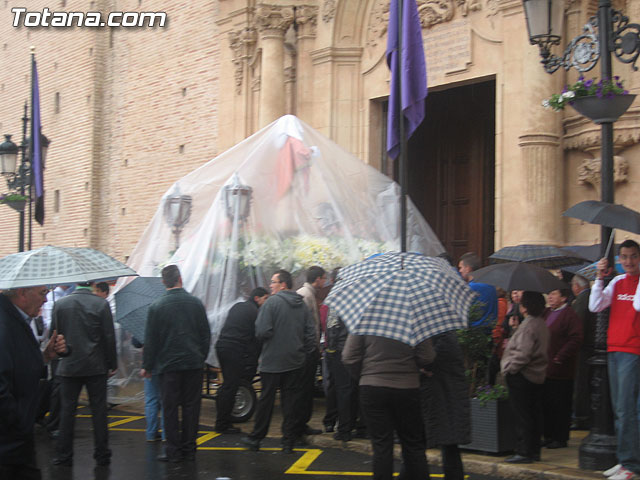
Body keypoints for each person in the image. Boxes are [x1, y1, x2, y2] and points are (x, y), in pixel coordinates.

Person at [240, 269, 316, 453]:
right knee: (290, 402)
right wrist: (302, 351)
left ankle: (257, 438)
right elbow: (310, 334)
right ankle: (288, 442)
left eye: (273, 282)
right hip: (295, 361)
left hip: (272, 361)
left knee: (266, 401)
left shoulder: (271, 303)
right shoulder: (301, 304)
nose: (270, 285)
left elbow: (261, 331)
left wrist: (275, 339)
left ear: (283, 284)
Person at [142, 265, 211, 463]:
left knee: (170, 408)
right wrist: (201, 356)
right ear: (180, 278)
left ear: (164, 282)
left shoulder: (156, 306)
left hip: (167, 366)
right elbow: (205, 334)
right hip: (193, 364)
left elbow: (151, 340)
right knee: (192, 407)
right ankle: (189, 448)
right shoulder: (196, 304)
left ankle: (172, 451)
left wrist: (148, 366)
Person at [342, 334, 435, 480]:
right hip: (407, 387)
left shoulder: (365, 316)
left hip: (372, 387)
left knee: (381, 446)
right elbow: (427, 357)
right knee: (413, 444)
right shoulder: (414, 317)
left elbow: (348, 356)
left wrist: (363, 375)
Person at [0, 286, 68, 480]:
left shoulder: (15, 319)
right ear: (22, 293)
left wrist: (45, 357)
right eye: (42, 293)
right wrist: (19, 422)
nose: (45, 300)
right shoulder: (4, 324)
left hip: (15, 442)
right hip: (8, 443)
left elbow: (17, 366)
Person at [589, 240, 640, 480]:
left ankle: (631, 464)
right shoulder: (617, 282)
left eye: (633, 257)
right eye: (624, 257)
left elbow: (638, 304)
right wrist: (599, 278)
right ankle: (625, 461)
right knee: (620, 410)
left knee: (627, 410)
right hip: (614, 348)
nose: (628, 262)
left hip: (633, 350)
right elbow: (595, 305)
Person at [52, 281, 118, 467]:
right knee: (99, 412)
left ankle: (64, 455)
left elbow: (54, 336)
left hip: (68, 365)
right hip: (95, 366)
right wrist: (112, 363)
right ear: (93, 284)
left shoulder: (60, 304)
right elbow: (108, 336)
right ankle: (102, 454)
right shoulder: (101, 304)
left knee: (67, 412)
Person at [501, 291, 549, 464]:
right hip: (537, 375)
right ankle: (534, 450)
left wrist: (510, 368)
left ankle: (524, 451)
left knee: (522, 414)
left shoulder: (529, 325)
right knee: (534, 413)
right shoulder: (541, 323)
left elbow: (523, 352)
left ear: (525, 306)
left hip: (522, 375)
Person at [214, 286, 269, 434]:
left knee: (228, 385)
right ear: (257, 298)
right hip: (234, 349)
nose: (266, 302)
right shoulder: (255, 312)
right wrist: (254, 361)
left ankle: (224, 418)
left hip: (222, 346)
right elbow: (256, 339)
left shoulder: (238, 306)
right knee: (231, 386)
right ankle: (222, 423)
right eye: (265, 299)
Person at [420, 331, 470, 480]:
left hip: (444, 395)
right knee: (448, 445)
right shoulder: (445, 336)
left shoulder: (443, 338)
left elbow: (431, 359)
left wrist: (422, 368)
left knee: (444, 443)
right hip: (444, 394)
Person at [541, 289, 583, 449]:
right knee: (547, 403)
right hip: (545, 367)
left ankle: (560, 437)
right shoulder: (545, 312)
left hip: (561, 369)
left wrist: (560, 356)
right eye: (549, 294)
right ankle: (548, 435)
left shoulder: (569, 315)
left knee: (560, 404)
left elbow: (576, 338)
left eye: (554, 294)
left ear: (564, 297)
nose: (550, 297)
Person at [296, 265, 326, 437]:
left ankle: (302, 424)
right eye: (323, 278)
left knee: (307, 389)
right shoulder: (305, 295)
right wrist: (311, 348)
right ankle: (300, 425)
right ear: (318, 279)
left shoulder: (309, 294)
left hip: (309, 350)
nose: (325, 281)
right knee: (304, 390)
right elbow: (305, 326)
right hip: (307, 351)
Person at [570, 274, 595, 430]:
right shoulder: (590, 296)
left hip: (584, 348)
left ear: (576, 286)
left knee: (581, 383)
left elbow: (577, 325)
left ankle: (580, 416)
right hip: (591, 347)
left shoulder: (581, 300)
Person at [458, 252, 498, 329]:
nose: (460, 271)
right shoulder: (491, 286)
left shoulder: (469, 288)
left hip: (473, 333)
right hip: (489, 332)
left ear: (468, 268)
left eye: (461, 267)